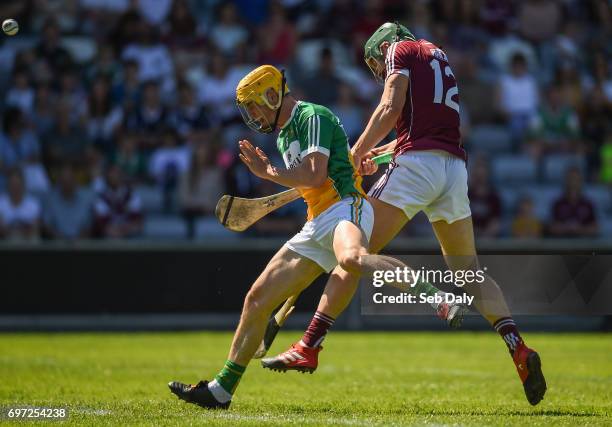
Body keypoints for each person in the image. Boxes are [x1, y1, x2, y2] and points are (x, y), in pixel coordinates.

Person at [265, 22, 546, 406]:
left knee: (353, 255)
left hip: (416, 169)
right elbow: (417, 129)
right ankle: (518, 347)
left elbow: (389, 107)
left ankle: (309, 344)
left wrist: (355, 152)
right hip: (452, 170)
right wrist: (376, 154)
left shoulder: (401, 50)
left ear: (386, 45)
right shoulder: (438, 56)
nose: (380, 70)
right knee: (468, 273)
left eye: (378, 62)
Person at [168, 64, 411, 409]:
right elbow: (313, 181)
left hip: (345, 209)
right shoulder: (282, 135)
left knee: (352, 261)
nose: (251, 114)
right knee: (256, 299)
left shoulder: (311, 115)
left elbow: (313, 175)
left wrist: (269, 173)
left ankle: (430, 292)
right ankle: (221, 391)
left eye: (254, 104)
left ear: (272, 94)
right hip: (315, 221)